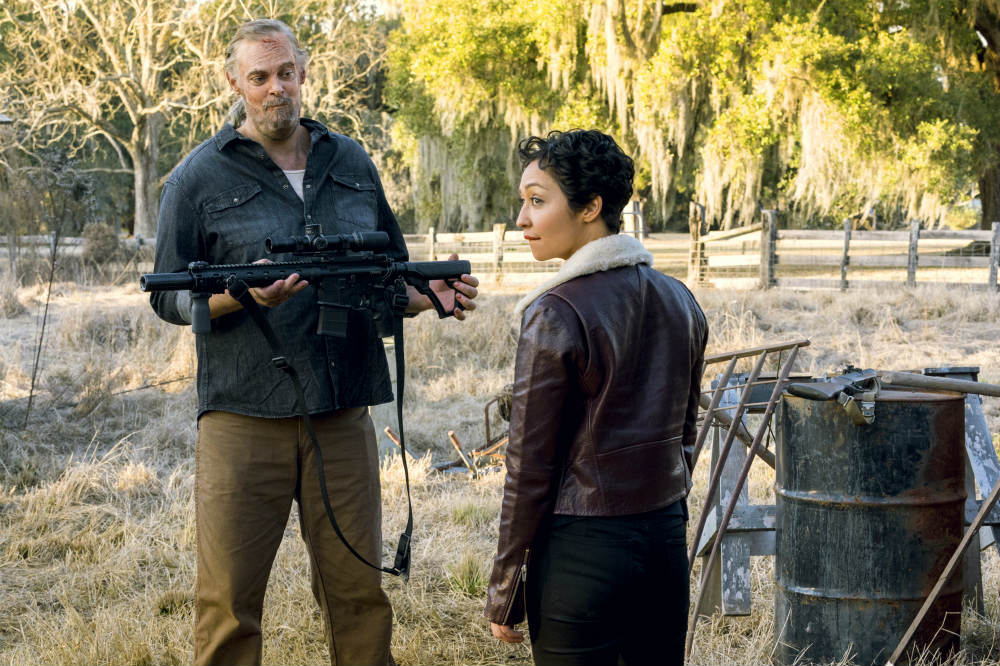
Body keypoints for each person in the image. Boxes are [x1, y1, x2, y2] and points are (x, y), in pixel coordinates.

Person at [149, 18, 478, 666]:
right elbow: (167, 297)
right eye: (260, 77)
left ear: (302, 73)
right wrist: (244, 293)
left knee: (359, 595)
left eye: (286, 73)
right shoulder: (197, 178)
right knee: (228, 605)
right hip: (244, 415)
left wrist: (423, 296)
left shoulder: (350, 161)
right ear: (235, 83)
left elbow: (386, 274)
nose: (276, 88)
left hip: (342, 411)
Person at [484, 130, 707, 666]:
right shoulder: (680, 298)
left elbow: (529, 466)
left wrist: (506, 587)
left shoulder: (554, 311)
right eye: (523, 202)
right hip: (664, 543)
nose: (522, 219)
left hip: (580, 555)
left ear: (590, 208)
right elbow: (686, 437)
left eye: (538, 201)